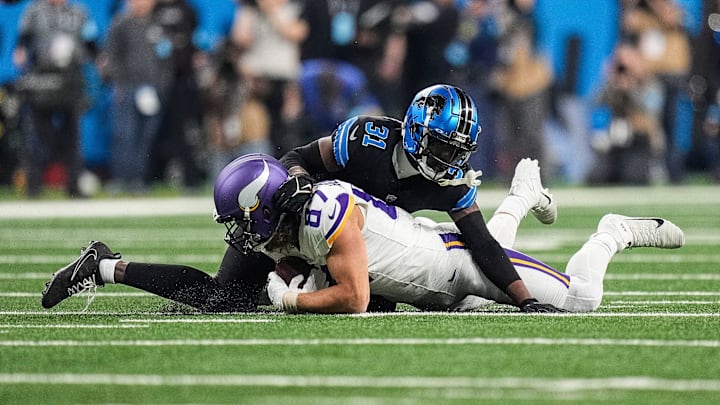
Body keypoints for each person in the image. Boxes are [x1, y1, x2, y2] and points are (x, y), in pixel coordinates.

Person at [40, 153, 686, 313]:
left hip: (448, 260)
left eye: (245, 220)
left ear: (268, 204)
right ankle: (105, 265)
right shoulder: (287, 212)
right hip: (420, 273)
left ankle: (611, 232)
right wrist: (290, 282)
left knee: (579, 301)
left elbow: (353, 299)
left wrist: (293, 296)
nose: (242, 233)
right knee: (224, 297)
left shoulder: (322, 212)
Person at [273, 83, 560, 312]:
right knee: (233, 295)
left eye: (457, 152)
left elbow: (483, 243)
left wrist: (526, 300)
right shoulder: (366, 140)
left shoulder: (452, 179)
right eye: (442, 147)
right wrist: (299, 179)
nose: (449, 160)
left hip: (369, 250)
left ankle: (522, 196)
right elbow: (296, 157)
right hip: (314, 229)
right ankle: (523, 195)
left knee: (375, 304)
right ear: (414, 130)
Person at [12, 0, 97, 198]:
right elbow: (22, 42)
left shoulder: (79, 12)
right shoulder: (33, 11)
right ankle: (33, 186)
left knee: (73, 136)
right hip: (42, 78)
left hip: (71, 79)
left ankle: (74, 186)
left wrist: (98, 59)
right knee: (39, 136)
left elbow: (91, 42)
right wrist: (22, 53)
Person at [97, 0, 174, 194]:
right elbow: (111, 57)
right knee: (124, 134)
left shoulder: (158, 25)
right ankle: (121, 178)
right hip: (128, 88)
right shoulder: (120, 24)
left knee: (146, 136)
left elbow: (166, 58)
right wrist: (119, 84)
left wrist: (162, 86)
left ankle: (138, 179)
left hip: (153, 89)